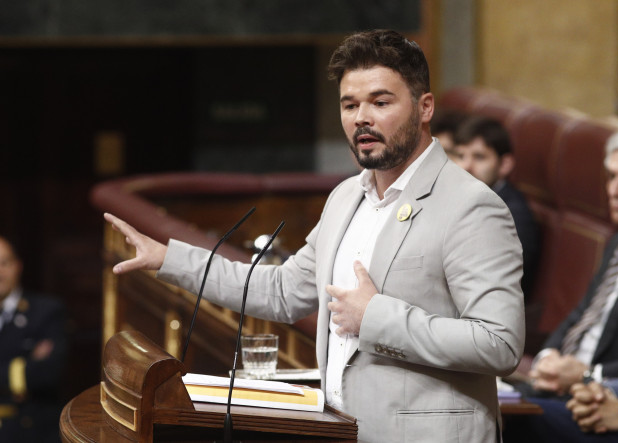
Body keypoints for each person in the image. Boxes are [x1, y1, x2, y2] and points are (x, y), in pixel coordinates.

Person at [104, 29, 525, 442]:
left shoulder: (470, 206)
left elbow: (500, 344)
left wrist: (375, 317)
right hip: (341, 430)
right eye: (349, 104)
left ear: (425, 107)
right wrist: (169, 259)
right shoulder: (347, 195)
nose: (361, 117)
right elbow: (284, 291)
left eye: (380, 102)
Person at [503, 124, 618, 441]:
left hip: (607, 397)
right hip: (565, 386)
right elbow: (582, 314)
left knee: (499, 417)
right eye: (611, 177)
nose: (614, 190)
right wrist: (549, 357)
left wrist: (589, 376)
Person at [453, 116, 540, 299]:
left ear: (505, 165)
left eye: (479, 157)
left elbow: (491, 283)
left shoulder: (512, 214)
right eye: (461, 156)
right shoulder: (459, 196)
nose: (466, 166)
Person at [0, 236, 67, 442]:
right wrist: (20, 368)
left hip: (28, 432)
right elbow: (28, 373)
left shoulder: (46, 311)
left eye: (4, 263)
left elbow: (47, 373)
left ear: (18, 266)